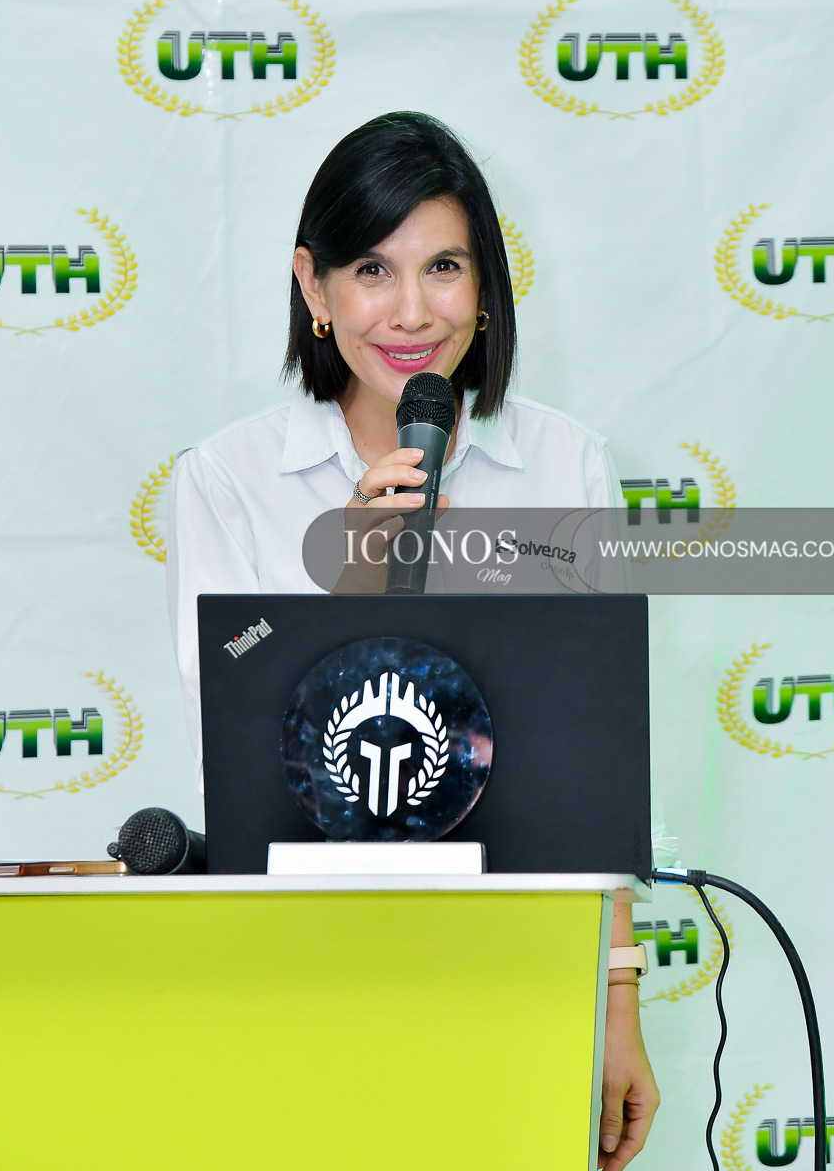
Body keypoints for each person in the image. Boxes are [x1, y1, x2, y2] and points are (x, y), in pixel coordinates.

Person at [167, 111, 665, 1170]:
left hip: (521, 970)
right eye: (369, 270)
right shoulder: (228, 480)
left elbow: (594, 766)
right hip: (301, 964)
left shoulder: (563, 465)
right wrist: (348, 587)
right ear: (313, 288)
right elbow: (231, 726)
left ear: (485, 286)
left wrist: (617, 1002)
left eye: (442, 266)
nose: (409, 311)